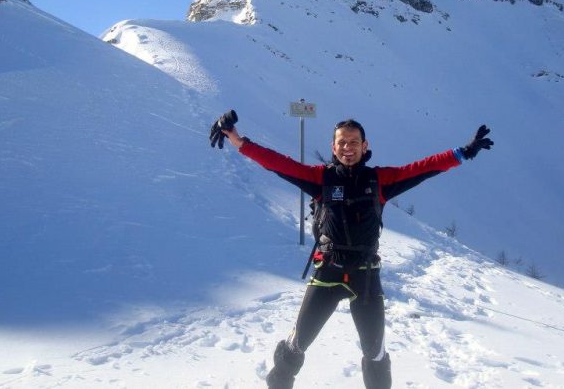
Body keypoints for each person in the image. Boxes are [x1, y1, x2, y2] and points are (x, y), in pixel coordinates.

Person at [209, 111, 493, 389]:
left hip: (365, 276)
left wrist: (463, 152)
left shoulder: (379, 180)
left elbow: (421, 169)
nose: (348, 147)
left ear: (365, 146)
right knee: (298, 344)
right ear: (334, 147)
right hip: (328, 273)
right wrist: (238, 141)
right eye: (342, 142)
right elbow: (279, 164)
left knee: (375, 353)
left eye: (354, 142)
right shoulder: (321, 178)